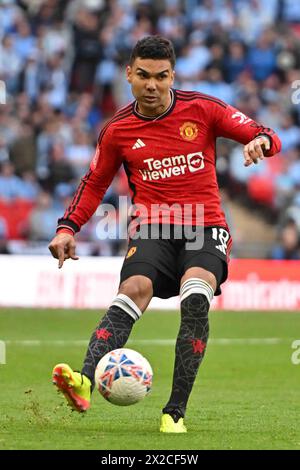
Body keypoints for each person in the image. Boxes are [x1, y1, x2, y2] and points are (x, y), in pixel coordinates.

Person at [48, 36, 281, 433]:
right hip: (153, 227)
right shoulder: (117, 130)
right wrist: (68, 227)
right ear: (129, 75)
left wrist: (261, 142)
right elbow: (93, 184)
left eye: (161, 76)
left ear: (172, 75)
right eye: (143, 76)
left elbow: (264, 133)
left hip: (204, 225)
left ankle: (174, 413)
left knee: (195, 294)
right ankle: (85, 380)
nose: (152, 85)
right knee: (134, 288)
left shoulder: (203, 109)